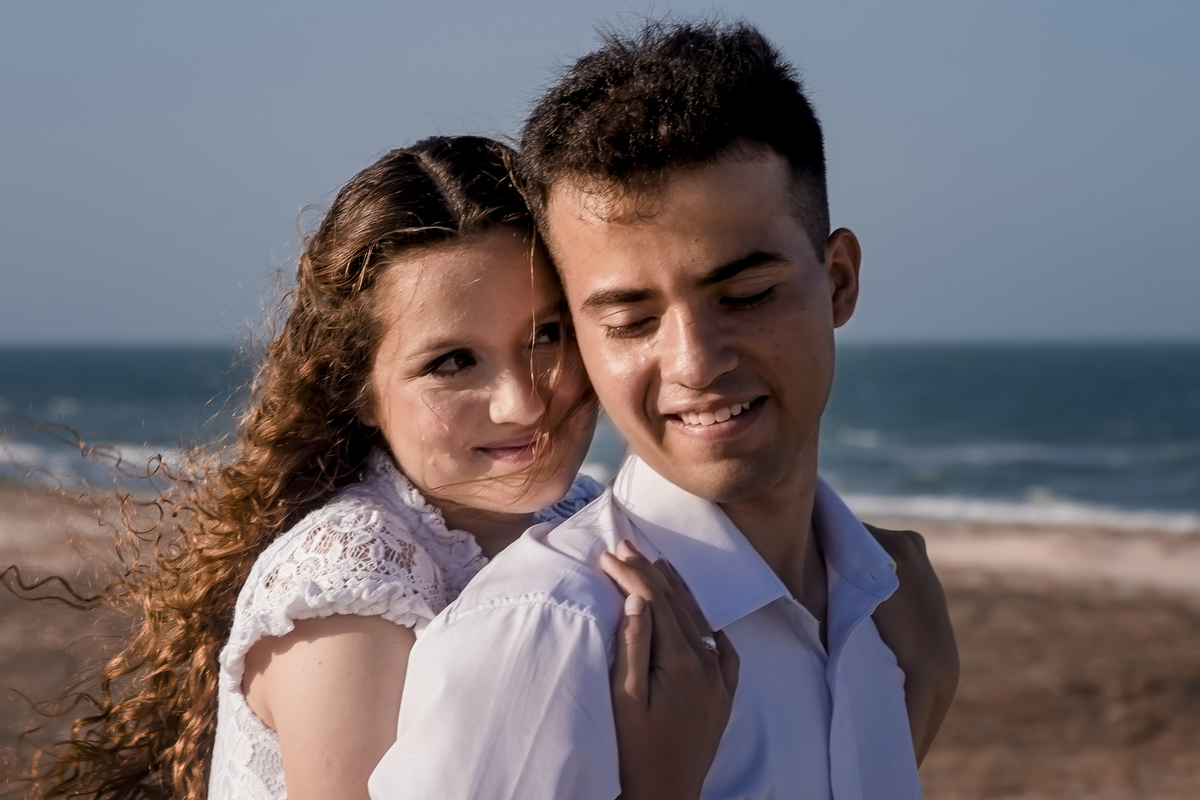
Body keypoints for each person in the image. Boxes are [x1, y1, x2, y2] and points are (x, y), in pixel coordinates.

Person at [14, 136, 736, 800]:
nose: (521, 403)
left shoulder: (581, 511)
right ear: (359, 389)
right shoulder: (351, 590)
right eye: (452, 362)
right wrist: (660, 786)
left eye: (547, 335)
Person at [371, 20, 958, 800]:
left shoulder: (889, 615)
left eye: (746, 295)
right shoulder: (546, 634)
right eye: (630, 321)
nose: (694, 363)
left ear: (839, 281)